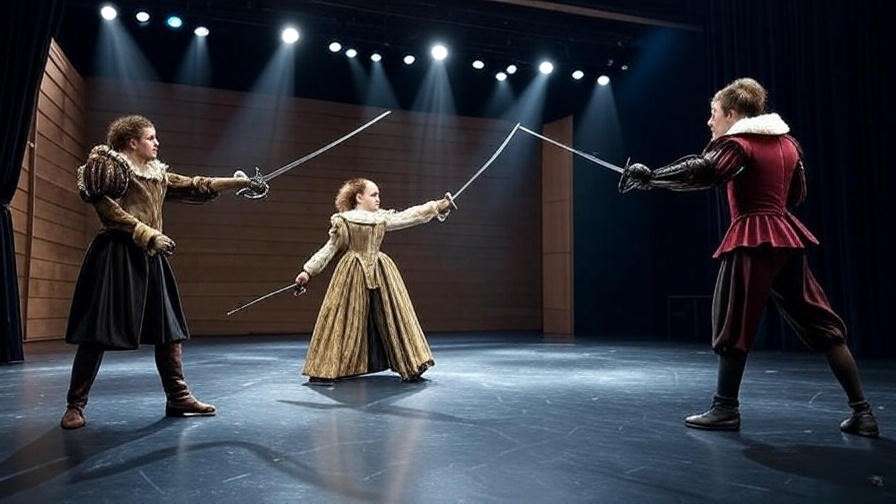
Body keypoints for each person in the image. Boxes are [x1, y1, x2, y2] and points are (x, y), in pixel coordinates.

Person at [619, 78, 879, 437]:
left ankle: (725, 409)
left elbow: (704, 170)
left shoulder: (737, 143)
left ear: (732, 113)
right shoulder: (789, 144)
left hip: (752, 237)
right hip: (786, 237)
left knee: (733, 320)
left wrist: (652, 177)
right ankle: (863, 413)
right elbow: (797, 194)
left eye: (713, 113)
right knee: (821, 323)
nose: (710, 121)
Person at [61, 115, 267, 429]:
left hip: (150, 255)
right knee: (97, 330)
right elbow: (109, 212)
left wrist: (238, 183)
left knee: (168, 329)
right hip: (117, 255)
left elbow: (196, 185)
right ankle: (75, 405)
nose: (156, 143)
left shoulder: (156, 173)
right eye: (150, 138)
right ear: (132, 142)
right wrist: (147, 234)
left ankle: (178, 396)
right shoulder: (109, 168)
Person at [295, 178, 453, 384]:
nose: (378, 198)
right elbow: (330, 248)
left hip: (380, 269)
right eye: (373, 194)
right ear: (359, 197)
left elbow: (410, 216)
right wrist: (307, 271)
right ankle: (325, 368)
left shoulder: (380, 218)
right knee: (344, 317)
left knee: (395, 314)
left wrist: (438, 206)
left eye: (378, 194)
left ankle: (412, 363)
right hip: (352, 271)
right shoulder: (344, 220)